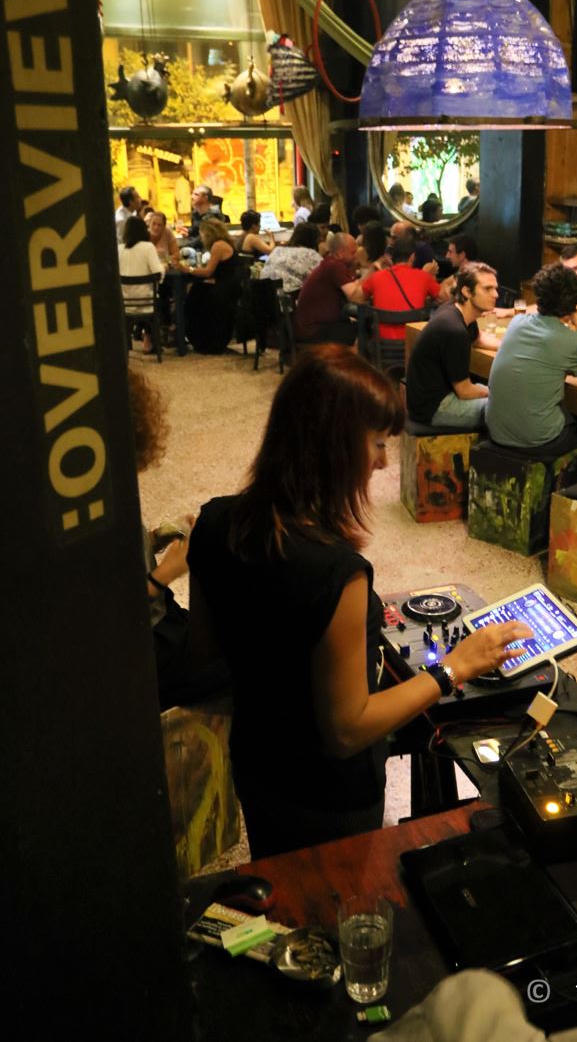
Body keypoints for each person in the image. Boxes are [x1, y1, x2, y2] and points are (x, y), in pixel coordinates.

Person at [186, 346, 532, 857]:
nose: (382, 461)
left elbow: (205, 657)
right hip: (331, 798)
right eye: (374, 443)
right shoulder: (338, 574)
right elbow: (348, 731)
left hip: (258, 767)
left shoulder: (214, 521)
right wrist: (454, 668)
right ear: (334, 446)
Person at [128, 368, 229, 711]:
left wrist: (156, 536)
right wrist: (166, 572)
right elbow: (107, 621)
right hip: (148, 651)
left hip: (163, 624)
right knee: (244, 661)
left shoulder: (112, 500)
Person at [487, 263, 577, 457]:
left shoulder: (517, 322)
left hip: (496, 431)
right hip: (537, 441)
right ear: (574, 300)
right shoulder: (570, 340)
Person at [406, 262, 502, 430]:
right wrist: (498, 394)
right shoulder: (454, 329)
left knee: (503, 399)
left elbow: (478, 339)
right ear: (466, 291)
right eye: (487, 289)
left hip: (437, 395)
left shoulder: (458, 310)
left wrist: (510, 347)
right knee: (508, 410)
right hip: (434, 407)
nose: (496, 294)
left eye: (495, 288)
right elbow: (465, 392)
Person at [350, 234, 447, 340]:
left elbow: (355, 298)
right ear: (412, 257)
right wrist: (431, 277)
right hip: (413, 347)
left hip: (382, 348)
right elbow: (444, 298)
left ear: (391, 257)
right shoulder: (424, 276)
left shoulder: (377, 276)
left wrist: (373, 269)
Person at [184, 218, 240, 354]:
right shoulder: (226, 243)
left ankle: (201, 339)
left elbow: (208, 271)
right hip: (231, 286)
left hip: (225, 290)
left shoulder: (217, 246)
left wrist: (188, 269)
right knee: (199, 289)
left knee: (195, 294)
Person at [294, 232, 360, 344]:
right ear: (340, 253)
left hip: (309, 326)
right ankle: (355, 360)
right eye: (353, 253)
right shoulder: (334, 266)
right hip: (315, 330)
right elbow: (355, 296)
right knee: (365, 328)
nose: (355, 257)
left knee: (356, 325)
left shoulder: (329, 262)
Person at [119, 214, 164, 353]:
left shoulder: (119, 249)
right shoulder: (147, 247)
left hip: (125, 303)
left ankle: (141, 338)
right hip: (147, 302)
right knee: (163, 300)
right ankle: (153, 339)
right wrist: (164, 268)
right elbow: (158, 274)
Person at [260, 221, 322, 294]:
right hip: (290, 297)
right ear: (314, 240)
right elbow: (323, 276)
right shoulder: (311, 255)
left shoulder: (277, 250)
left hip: (264, 294)